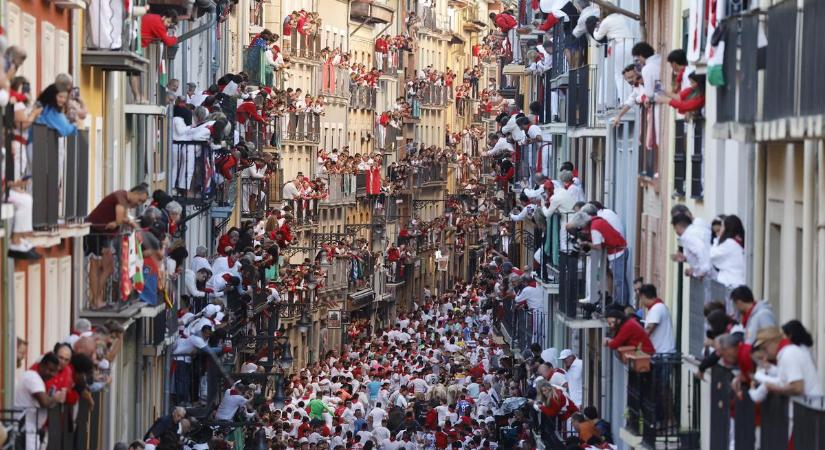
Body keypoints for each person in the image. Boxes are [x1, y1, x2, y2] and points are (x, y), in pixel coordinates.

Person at [84, 184, 149, 309]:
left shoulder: (123, 199)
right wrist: (120, 222)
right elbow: (120, 218)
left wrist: (128, 223)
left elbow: (121, 219)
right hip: (95, 232)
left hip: (103, 235)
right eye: (140, 200)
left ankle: (96, 298)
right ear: (135, 193)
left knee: (109, 267)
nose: (139, 204)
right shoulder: (121, 197)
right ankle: (95, 301)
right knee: (95, 265)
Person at [14, 352, 65, 450]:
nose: (51, 374)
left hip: (30, 428)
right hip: (25, 428)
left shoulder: (36, 378)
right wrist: (56, 398)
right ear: (41, 365)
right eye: (49, 369)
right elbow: (44, 402)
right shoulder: (33, 377)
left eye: (54, 371)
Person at [753, 326, 823, 397]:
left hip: (810, 405)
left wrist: (771, 387)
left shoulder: (788, 353)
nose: (765, 353)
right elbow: (785, 380)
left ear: (774, 341)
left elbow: (797, 388)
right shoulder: (786, 352)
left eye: (765, 348)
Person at [709, 214, 746, 289]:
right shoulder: (737, 241)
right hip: (735, 283)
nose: (721, 229)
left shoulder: (729, 243)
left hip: (730, 284)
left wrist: (718, 238)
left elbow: (712, 255)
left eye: (722, 226)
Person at [670, 213, 711, 279]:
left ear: (678, 226)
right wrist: (685, 258)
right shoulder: (696, 230)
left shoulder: (688, 236)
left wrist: (702, 271)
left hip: (708, 277)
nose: (675, 231)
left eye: (675, 228)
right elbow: (698, 255)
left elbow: (701, 249)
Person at [638, 284, 675, 354]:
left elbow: (649, 328)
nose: (641, 302)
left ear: (643, 296)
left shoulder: (656, 309)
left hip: (661, 354)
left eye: (641, 299)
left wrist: (638, 343)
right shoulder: (660, 307)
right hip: (663, 353)